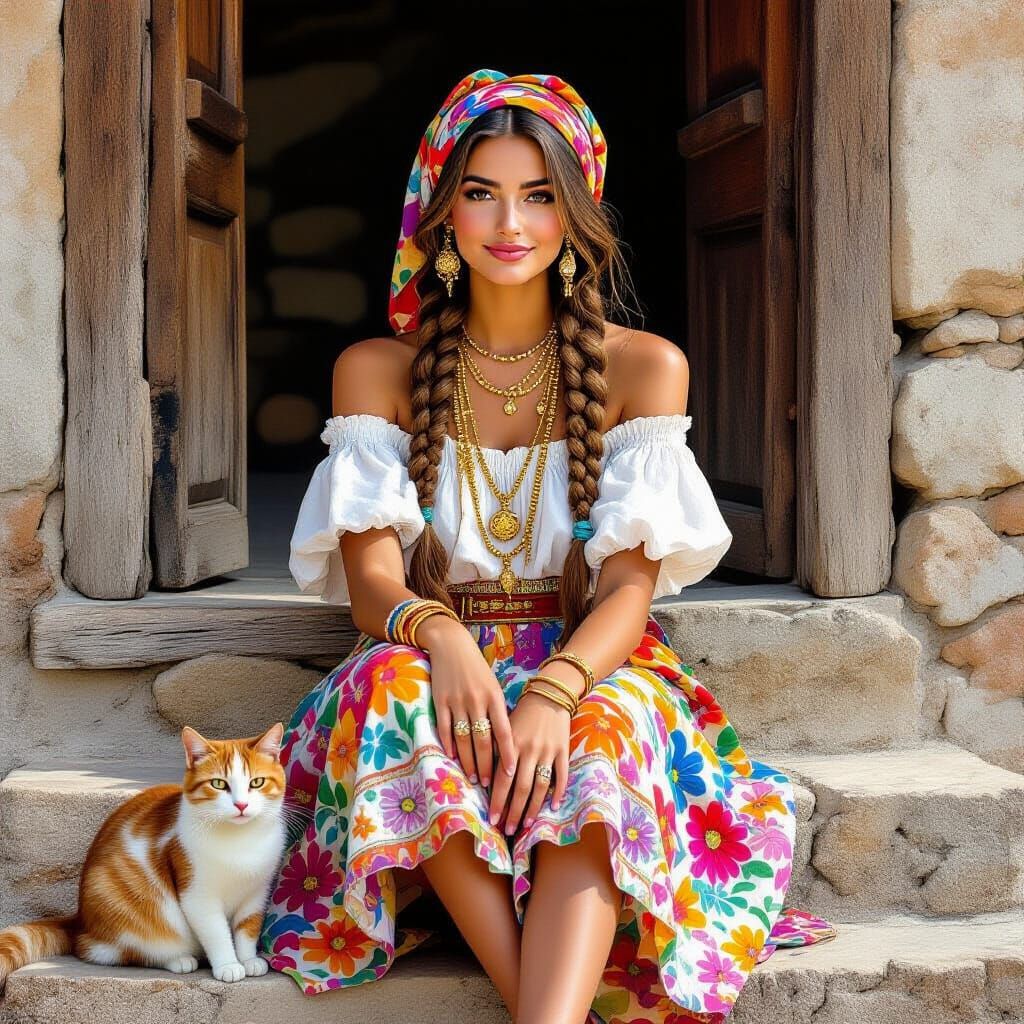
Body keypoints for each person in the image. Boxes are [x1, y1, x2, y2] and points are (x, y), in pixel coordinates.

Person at [259, 69, 835, 1024]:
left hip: (589, 658)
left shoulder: (645, 367)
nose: (509, 222)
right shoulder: (375, 370)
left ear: (575, 215)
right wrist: (442, 643)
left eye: (539, 196)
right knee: (398, 700)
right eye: (481, 192)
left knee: (600, 743)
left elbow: (628, 593)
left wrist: (558, 693)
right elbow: (370, 582)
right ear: (442, 215)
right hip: (424, 650)